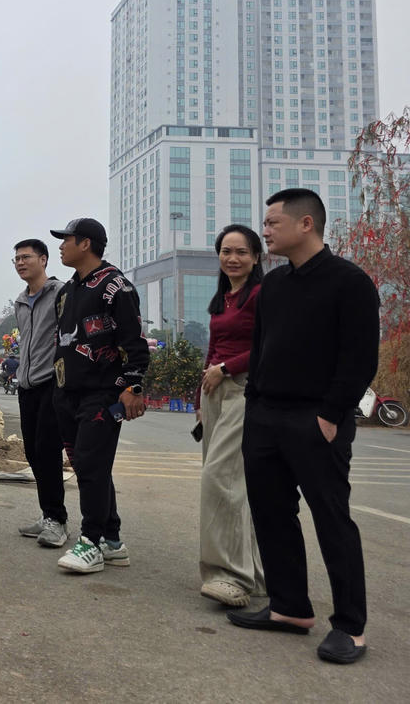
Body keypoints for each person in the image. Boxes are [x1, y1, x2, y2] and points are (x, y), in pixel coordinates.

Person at [227, 189, 379, 665]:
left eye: (273, 223)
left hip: (317, 419)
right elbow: (262, 349)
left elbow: (360, 359)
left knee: (332, 519)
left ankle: (350, 627)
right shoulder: (273, 284)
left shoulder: (349, 282)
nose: (265, 231)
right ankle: (289, 607)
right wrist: (254, 405)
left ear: (306, 224)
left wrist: (331, 415)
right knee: (271, 514)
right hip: (265, 417)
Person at [49, 218, 149, 573]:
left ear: (86, 244)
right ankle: (112, 540)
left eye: (67, 239)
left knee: (92, 466)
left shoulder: (115, 286)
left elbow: (135, 344)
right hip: (67, 392)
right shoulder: (66, 291)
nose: (61, 246)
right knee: (89, 467)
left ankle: (90, 542)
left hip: (103, 394)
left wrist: (133, 387)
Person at [196, 224, 265, 608]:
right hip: (215, 394)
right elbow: (214, 347)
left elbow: (269, 346)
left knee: (219, 479)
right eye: (226, 251)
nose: (233, 258)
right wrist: (200, 397)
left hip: (243, 390)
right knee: (232, 483)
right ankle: (256, 573)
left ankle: (230, 576)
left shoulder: (260, 295)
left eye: (241, 252)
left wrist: (226, 369)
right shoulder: (223, 298)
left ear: (256, 257)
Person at [11, 239, 68, 548]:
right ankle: (48, 515)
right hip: (26, 385)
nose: (21, 263)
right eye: (17, 259)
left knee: (48, 449)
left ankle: (57, 520)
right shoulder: (21, 302)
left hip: (51, 383)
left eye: (26, 257)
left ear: (43, 259)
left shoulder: (60, 293)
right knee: (32, 451)